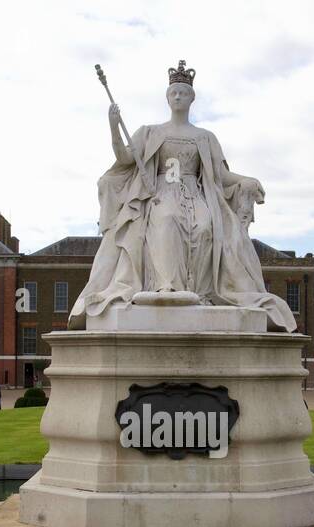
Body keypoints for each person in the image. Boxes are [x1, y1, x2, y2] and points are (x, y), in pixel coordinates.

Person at [68, 60, 295, 332]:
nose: (178, 96)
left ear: (192, 98)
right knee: (167, 218)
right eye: (173, 92)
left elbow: (221, 176)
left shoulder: (205, 137)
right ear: (167, 98)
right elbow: (125, 158)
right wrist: (114, 127)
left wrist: (246, 180)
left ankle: (199, 291)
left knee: (205, 226)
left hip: (195, 194)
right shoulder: (151, 132)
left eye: (183, 93)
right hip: (160, 193)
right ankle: (167, 286)